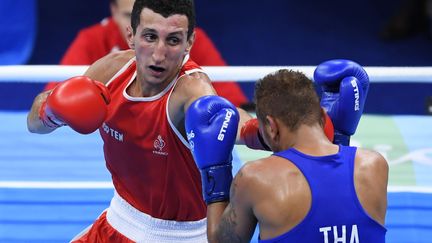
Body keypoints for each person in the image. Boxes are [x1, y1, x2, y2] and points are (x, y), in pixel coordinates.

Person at [186, 59, 389, 242]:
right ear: (321, 115)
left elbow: (222, 242)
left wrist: (215, 169)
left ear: (271, 128)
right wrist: (340, 137)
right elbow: (334, 203)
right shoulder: (374, 165)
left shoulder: (256, 178)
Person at [44, 0, 248, 107]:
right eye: (129, 16)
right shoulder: (93, 41)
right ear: (113, 10)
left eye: (172, 39)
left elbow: (233, 103)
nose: (159, 54)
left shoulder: (186, 39)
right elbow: (56, 99)